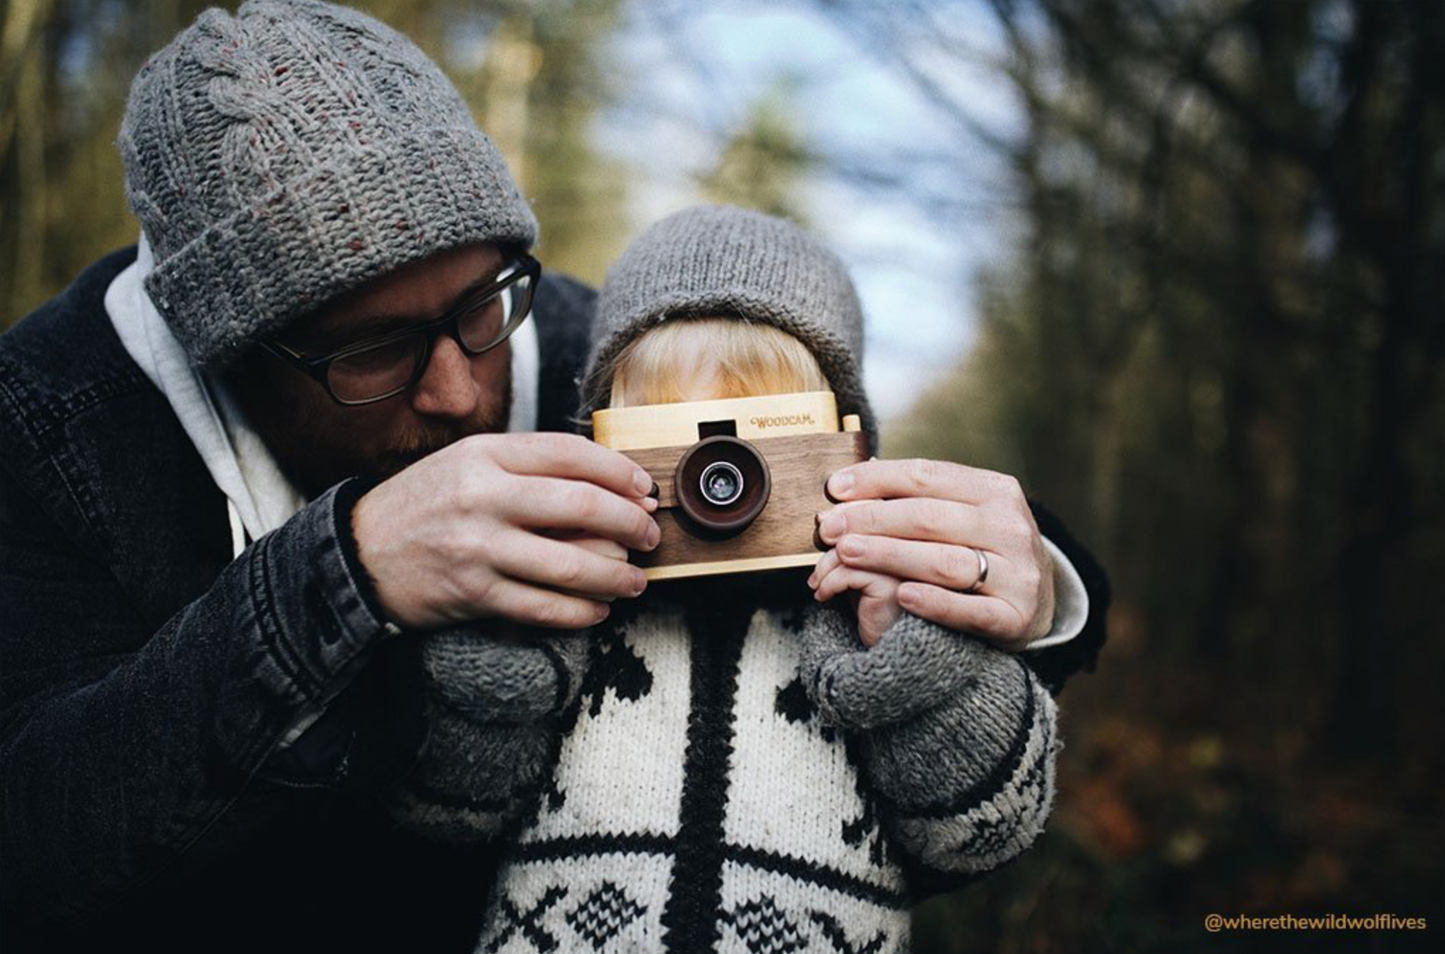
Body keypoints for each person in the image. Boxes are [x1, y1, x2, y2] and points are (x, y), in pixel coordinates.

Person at [0, 3, 1108, 953]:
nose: (458, 388)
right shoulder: (48, 430)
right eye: (372, 351)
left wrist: (1038, 578)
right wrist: (344, 579)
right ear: (225, 351)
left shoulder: (586, 345)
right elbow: (38, 835)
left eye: (482, 302)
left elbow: (806, 488)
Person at [388, 205, 1064, 954]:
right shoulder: (571, 608)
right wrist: (502, 656)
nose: (719, 480)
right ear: (599, 443)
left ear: (851, 447)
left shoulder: (871, 626)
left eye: (758, 440)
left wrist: (913, 660)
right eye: (674, 443)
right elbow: (443, 814)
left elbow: (985, 835)